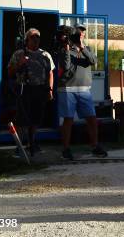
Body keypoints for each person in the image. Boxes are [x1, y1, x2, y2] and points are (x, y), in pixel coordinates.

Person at [57, 25, 108, 160]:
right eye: (79, 34)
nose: (81, 35)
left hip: (84, 90)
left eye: (83, 34)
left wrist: (82, 48)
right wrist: (68, 50)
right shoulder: (63, 49)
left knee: (91, 118)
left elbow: (93, 61)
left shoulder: (88, 49)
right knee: (68, 120)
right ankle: (66, 149)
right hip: (67, 89)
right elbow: (66, 67)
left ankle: (94, 146)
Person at [7, 28, 54, 157]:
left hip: (39, 89)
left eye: (38, 36)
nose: (36, 39)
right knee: (22, 118)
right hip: (24, 89)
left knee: (36, 118)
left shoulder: (45, 55)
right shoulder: (19, 54)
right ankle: (20, 145)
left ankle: (32, 142)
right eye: (33, 36)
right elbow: (10, 72)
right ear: (27, 39)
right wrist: (20, 64)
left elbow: (50, 73)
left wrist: (50, 89)